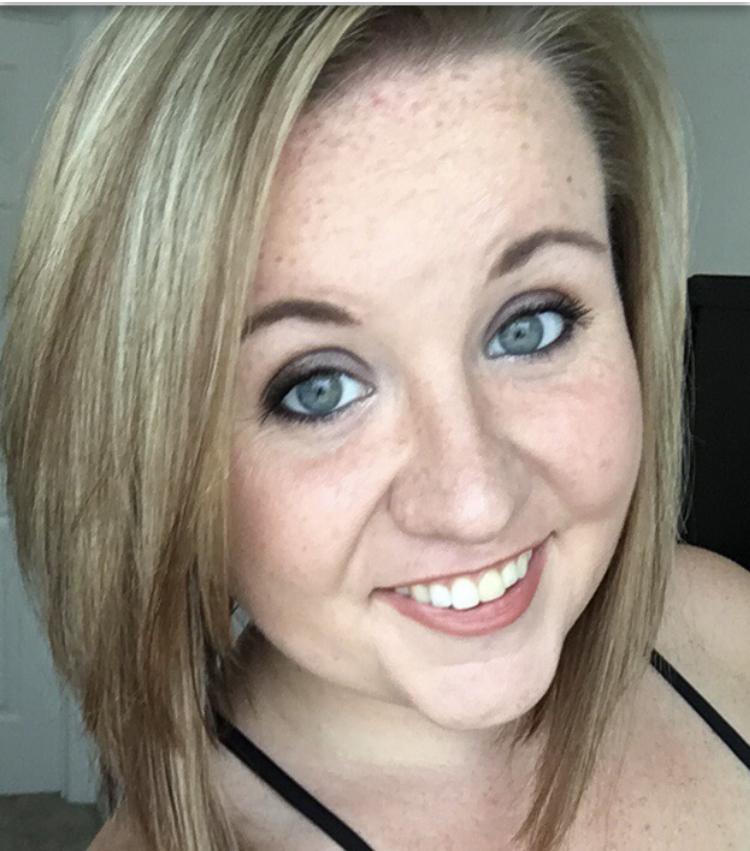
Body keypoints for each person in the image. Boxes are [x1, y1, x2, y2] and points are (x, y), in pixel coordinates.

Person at [0, 6, 747, 851]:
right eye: (317, 389)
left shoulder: (720, 627)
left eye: (530, 325)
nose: (475, 502)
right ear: (160, 456)